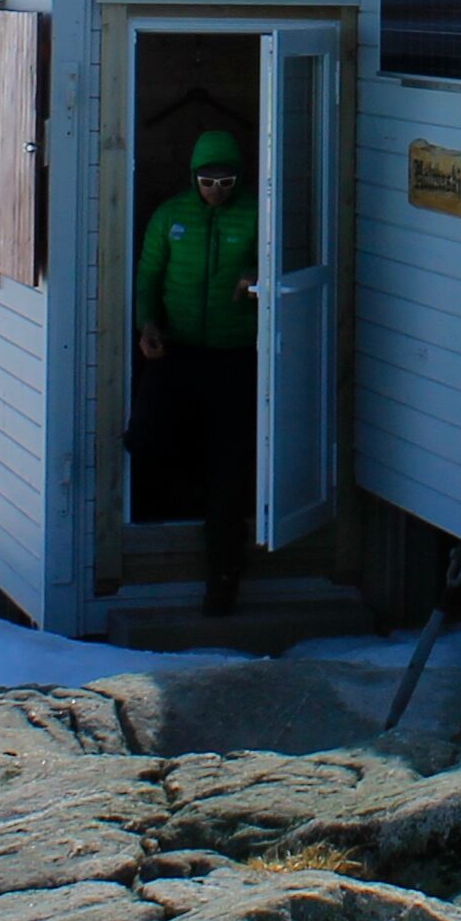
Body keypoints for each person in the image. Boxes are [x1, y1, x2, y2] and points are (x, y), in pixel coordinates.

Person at [135, 127, 261, 613]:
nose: (216, 191)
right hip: (178, 350)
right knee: (147, 438)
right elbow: (148, 276)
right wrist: (147, 323)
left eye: (227, 181)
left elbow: (285, 261)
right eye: (208, 181)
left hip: (234, 355)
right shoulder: (171, 216)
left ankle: (223, 575)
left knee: (231, 464)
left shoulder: (256, 212)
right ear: (193, 178)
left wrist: (257, 273)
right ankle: (189, 496)